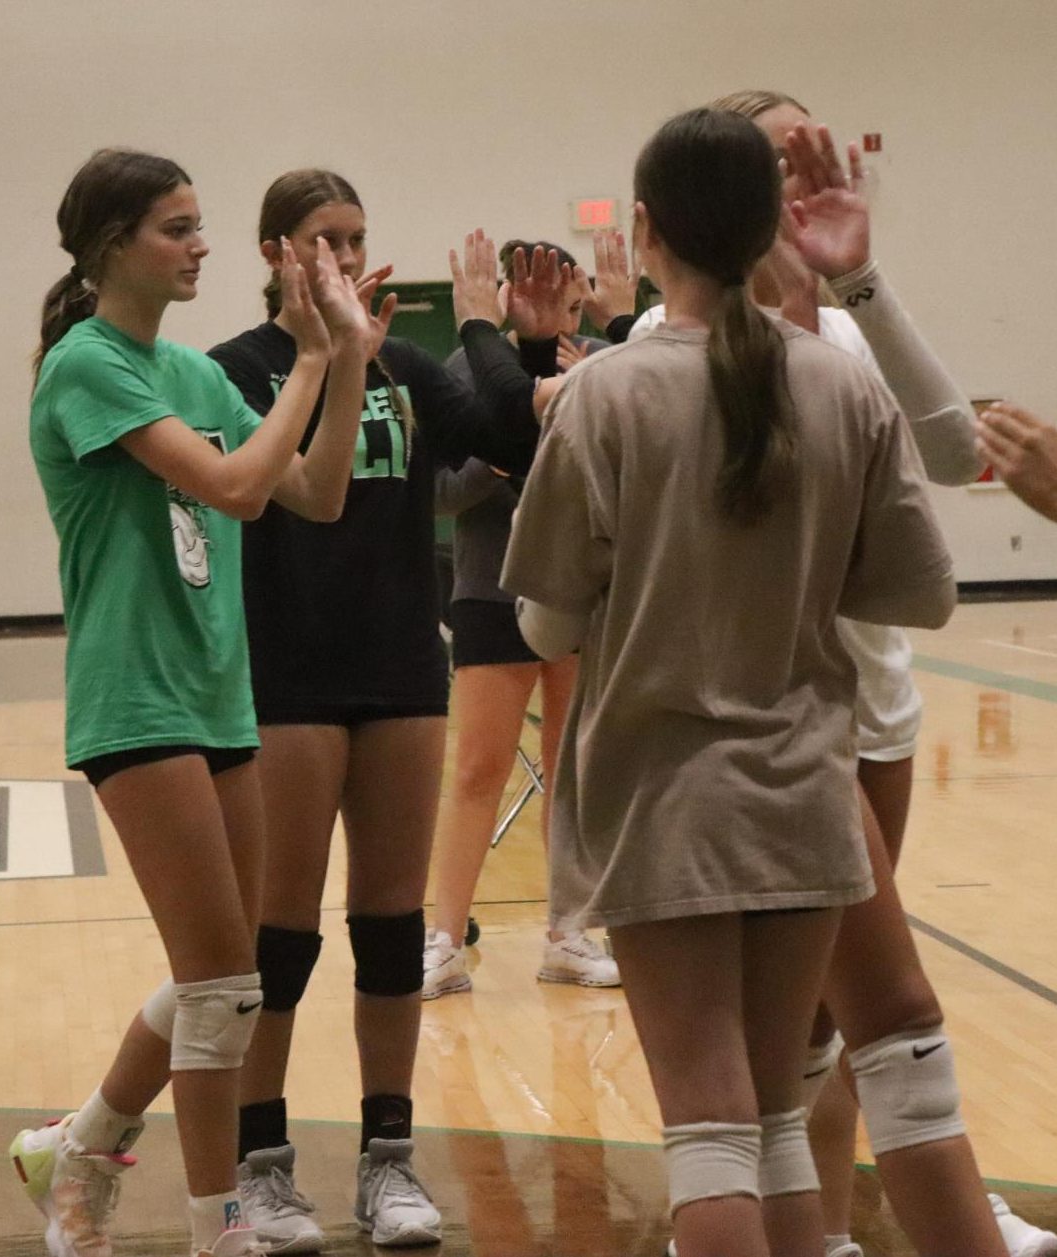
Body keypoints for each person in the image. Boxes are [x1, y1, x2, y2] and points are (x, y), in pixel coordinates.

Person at [502, 106, 956, 1257]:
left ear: (643, 229)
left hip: (664, 803)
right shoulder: (841, 387)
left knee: (707, 1133)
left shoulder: (603, 395)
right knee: (772, 1123)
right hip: (807, 791)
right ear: (769, 228)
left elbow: (547, 616)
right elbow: (920, 595)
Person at [639, 94, 1051, 1257]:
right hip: (769, 733)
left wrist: (858, 280)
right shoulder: (653, 348)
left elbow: (955, 452)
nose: (797, 171)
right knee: (866, 1015)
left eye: (810, 150)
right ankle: (853, 1221)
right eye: (774, 154)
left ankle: (814, 1228)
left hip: (871, 715)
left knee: (818, 1023)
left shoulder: (848, 334)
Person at [14, 147, 370, 1257]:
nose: (201, 244)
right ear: (115, 243)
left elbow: (313, 491)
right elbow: (228, 484)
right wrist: (308, 364)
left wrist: (348, 358)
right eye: (177, 227)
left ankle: (79, 1143)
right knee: (221, 979)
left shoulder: (192, 375)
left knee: (229, 976)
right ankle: (216, 1224)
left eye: (201, 223)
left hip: (218, 695)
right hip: (136, 696)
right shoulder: (86, 365)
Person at [206, 172, 572, 1252]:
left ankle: (388, 1160)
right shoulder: (236, 369)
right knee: (277, 942)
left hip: (403, 665)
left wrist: (520, 337)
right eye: (324, 239)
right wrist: (334, 356)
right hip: (287, 674)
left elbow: (515, 431)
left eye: (358, 238)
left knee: (387, 930)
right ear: (278, 251)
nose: (344, 256)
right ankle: (263, 1167)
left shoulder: (406, 368)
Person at [424, 233, 633, 999]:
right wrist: (506, 451)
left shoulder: (598, 368)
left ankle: (567, 933)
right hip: (490, 589)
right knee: (478, 768)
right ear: (507, 297)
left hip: (578, 590)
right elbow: (440, 492)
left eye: (578, 302)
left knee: (571, 773)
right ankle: (443, 938)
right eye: (554, 298)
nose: (568, 314)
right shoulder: (463, 374)